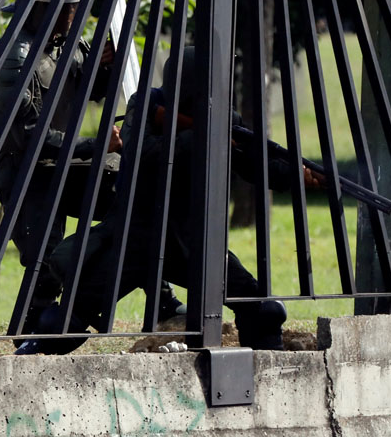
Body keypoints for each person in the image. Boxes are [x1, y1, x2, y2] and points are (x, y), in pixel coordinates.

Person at [19, 47, 322, 354]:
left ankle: (262, 373)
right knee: (65, 321)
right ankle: (28, 360)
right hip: (133, 237)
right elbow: (141, 152)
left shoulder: (221, 118)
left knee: (263, 310)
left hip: (188, 242)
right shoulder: (148, 104)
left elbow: (253, 161)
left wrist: (293, 175)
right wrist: (199, 138)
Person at [0, 0, 183, 344]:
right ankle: (33, 332)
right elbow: (29, 137)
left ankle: (161, 303)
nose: (74, 14)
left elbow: (90, 89)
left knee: (129, 194)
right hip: (28, 174)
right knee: (42, 261)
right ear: (43, 7)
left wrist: (107, 67)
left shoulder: (64, 43)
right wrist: (97, 146)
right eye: (68, 7)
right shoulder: (17, 57)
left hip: (65, 162)